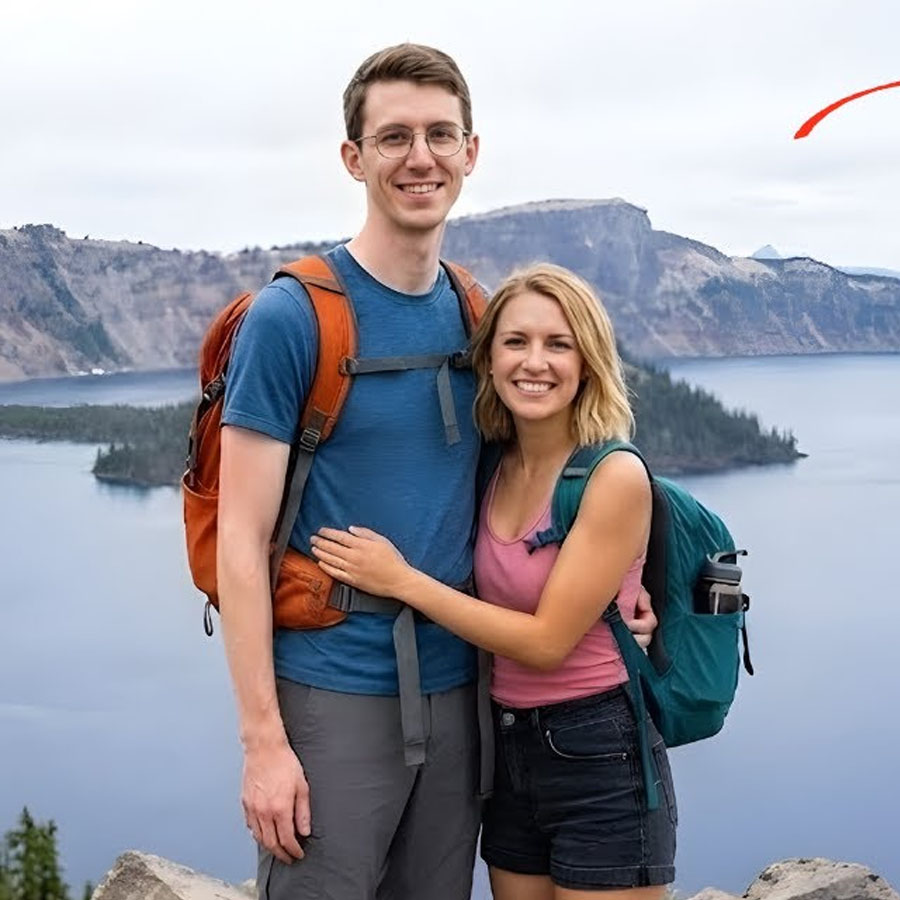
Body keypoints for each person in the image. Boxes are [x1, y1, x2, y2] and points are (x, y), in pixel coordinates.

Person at [217, 43, 656, 900]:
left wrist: (622, 597)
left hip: (465, 698)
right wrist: (263, 741)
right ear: (355, 158)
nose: (420, 158)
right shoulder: (292, 317)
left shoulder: (476, 313)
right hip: (333, 689)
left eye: (439, 135)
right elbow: (241, 540)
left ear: (470, 152)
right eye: (393, 138)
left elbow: (555, 471)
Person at [311, 263, 677, 899]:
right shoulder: (492, 464)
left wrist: (401, 581)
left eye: (558, 344)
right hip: (506, 749)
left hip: (601, 756)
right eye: (516, 342)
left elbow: (544, 643)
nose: (534, 362)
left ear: (588, 361)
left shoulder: (612, 476)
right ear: (490, 358)